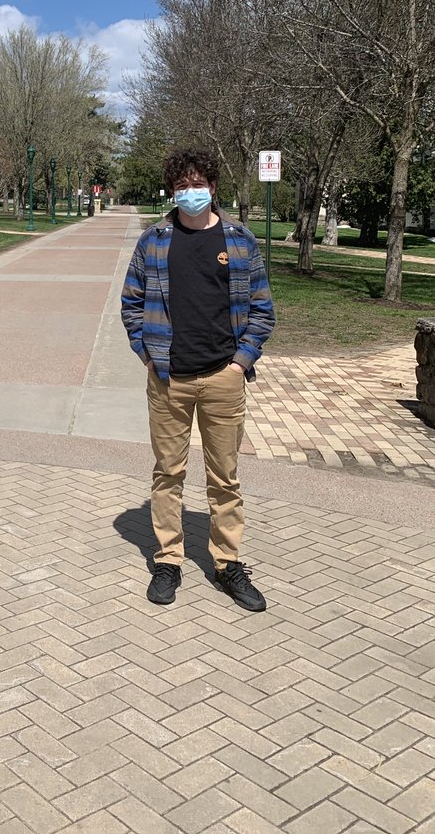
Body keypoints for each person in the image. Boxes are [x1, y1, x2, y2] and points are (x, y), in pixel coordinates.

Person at [120, 146, 275, 611]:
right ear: (173, 189)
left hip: (223, 379)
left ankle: (228, 564)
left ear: (213, 186)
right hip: (169, 379)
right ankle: (169, 560)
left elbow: (263, 311)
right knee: (168, 473)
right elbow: (131, 304)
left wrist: (239, 363)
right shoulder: (154, 241)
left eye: (198, 184)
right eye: (183, 185)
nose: (191, 193)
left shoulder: (240, 240)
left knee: (224, 478)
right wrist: (148, 356)